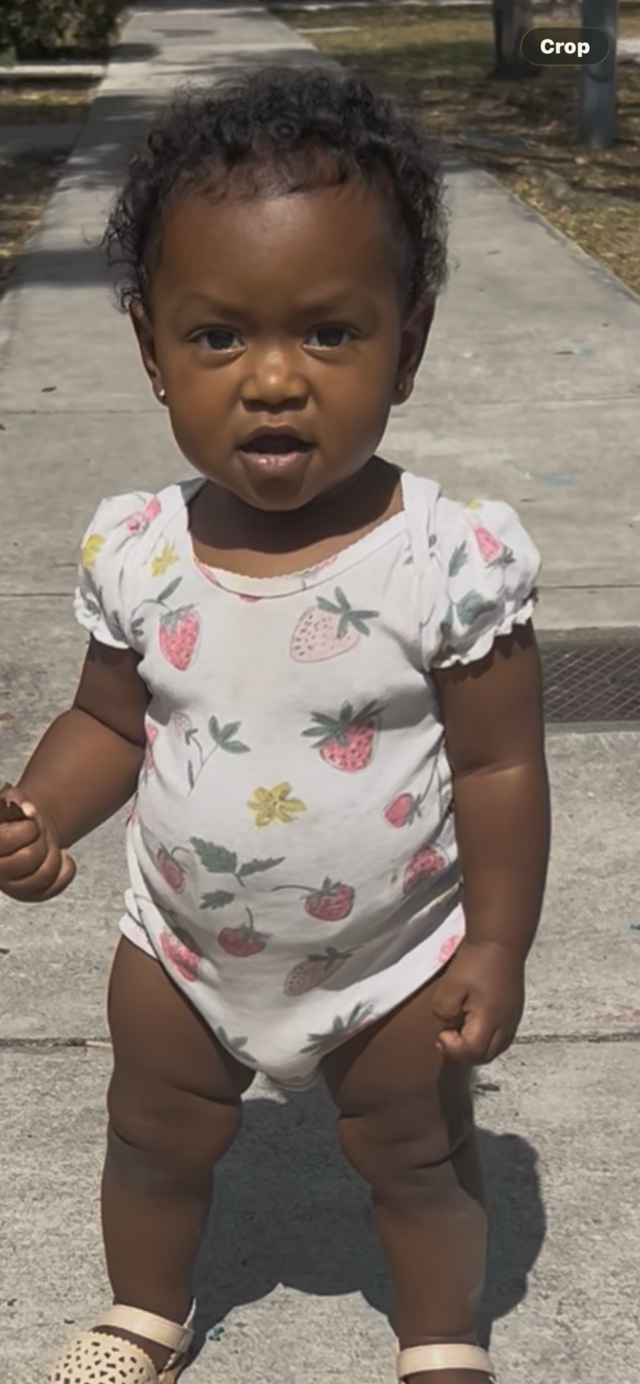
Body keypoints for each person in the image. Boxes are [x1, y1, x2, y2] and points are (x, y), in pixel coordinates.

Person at [0, 65, 550, 1384]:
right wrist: (40, 810)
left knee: (415, 1156)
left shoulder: (450, 560)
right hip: (179, 947)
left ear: (407, 345)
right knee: (152, 1136)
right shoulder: (141, 549)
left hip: (392, 958)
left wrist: (497, 942)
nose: (271, 380)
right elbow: (107, 721)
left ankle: (440, 1340)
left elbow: (499, 764)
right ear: (150, 351)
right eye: (216, 338)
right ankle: (144, 1314)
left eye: (329, 333)